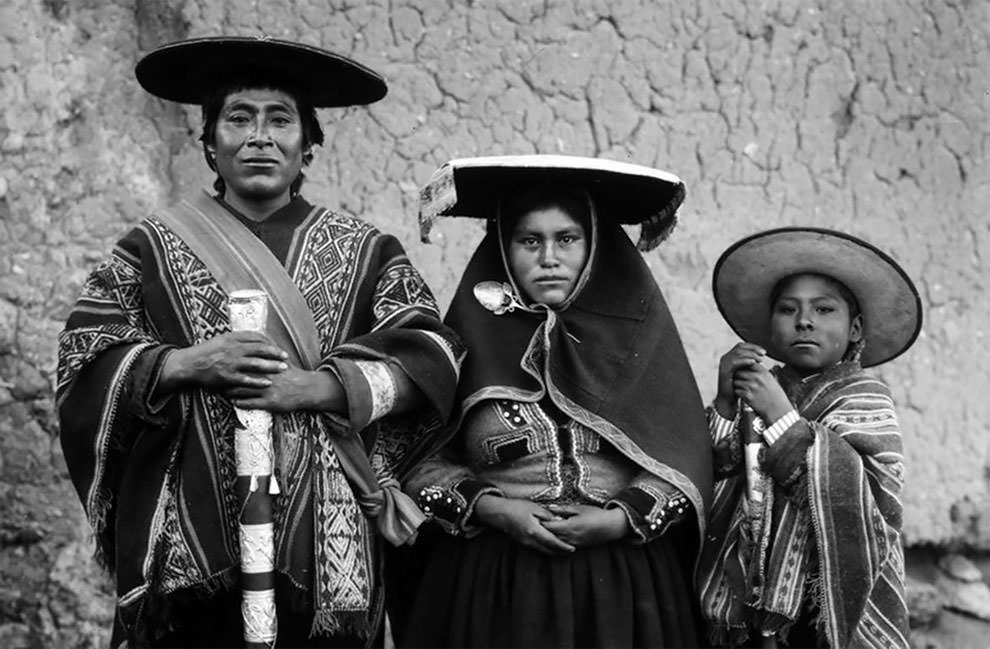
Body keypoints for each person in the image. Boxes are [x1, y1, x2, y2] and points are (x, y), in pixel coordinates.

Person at [56, 36, 463, 648]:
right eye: (238, 118)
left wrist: (324, 387)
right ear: (210, 144)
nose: (259, 136)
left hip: (328, 553)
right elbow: (84, 356)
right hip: (190, 555)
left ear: (308, 146)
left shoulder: (367, 250)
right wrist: (185, 363)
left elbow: (434, 357)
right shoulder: (151, 247)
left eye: (280, 120)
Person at [396, 155, 714, 648]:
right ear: (504, 249)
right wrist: (492, 509)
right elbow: (418, 459)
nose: (549, 257)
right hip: (494, 583)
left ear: (594, 246)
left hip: (621, 585)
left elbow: (683, 456)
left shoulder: (639, 347)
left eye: (567, 239)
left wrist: (618, 519)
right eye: (530, 240)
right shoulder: (460, 348)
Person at [696, 227, 922, 649]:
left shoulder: (864, 399)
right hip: (748, 599)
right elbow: (714, 476)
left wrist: (779, 414)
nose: (805, 320)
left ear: (854, 329)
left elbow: (868, 498)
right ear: (769, 327)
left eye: (823, 309)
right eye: (788, 309)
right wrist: (726, 402)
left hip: (822, 608)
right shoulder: (756, 389)